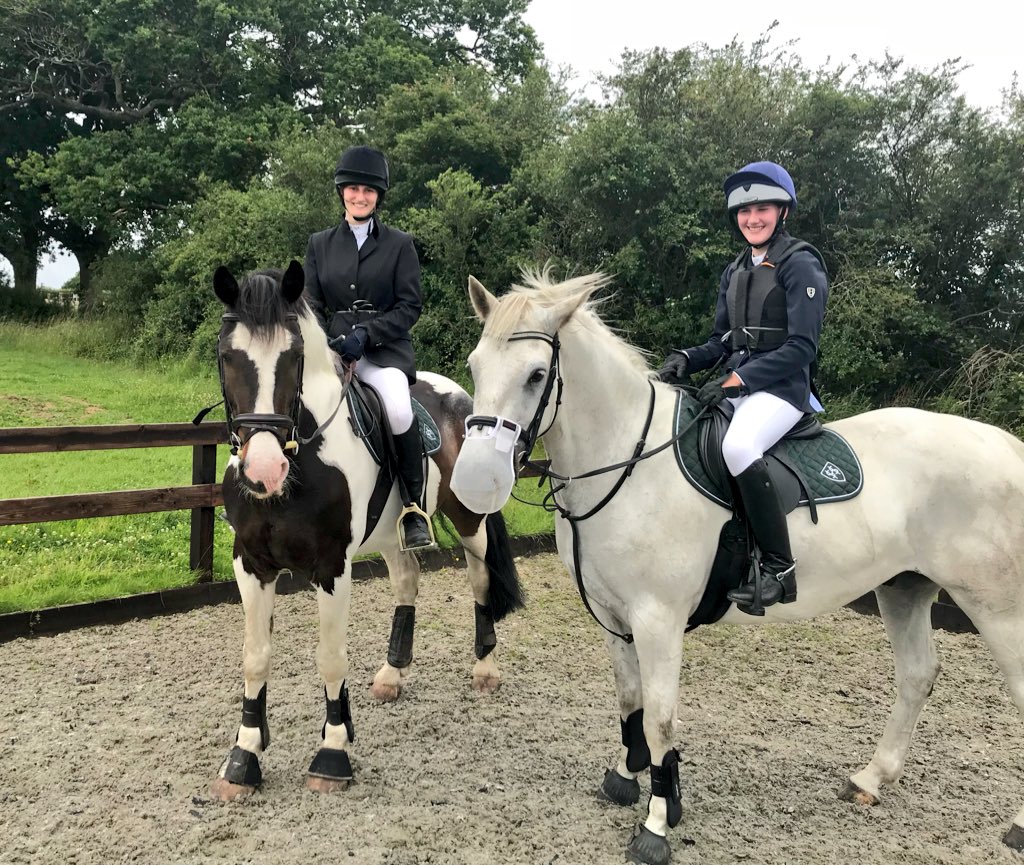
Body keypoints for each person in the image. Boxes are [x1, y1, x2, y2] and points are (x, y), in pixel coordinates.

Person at [659, 161, 828, 613]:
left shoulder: (801, 263)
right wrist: (687, 358)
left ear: (783, 212)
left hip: (783, 389)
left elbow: (802, 347)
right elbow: (723, 340)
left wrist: (738, 380)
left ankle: (780, 568)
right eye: (745, 211)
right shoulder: (735, 269)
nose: (752, 219)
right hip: (740, 383)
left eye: (762, 209)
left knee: (738, 447)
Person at [304, 145, 433, 550]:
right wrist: (326, 341)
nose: (360, 196)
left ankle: (413, 508)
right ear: (342, 192)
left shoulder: (400, 245)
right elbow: (310, 304)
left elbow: (409, 306)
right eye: (353, 189)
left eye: (368, 191)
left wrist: (368, 334)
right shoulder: (319, 244)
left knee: (397, 407)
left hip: (383, 352)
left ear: (378, 196)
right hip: (333, 350)